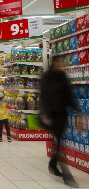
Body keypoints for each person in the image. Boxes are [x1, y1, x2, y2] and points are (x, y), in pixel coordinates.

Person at [40, 56, 78, 188]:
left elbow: (68, 94)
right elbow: (43, 96)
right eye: (59, 62)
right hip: (51, 114)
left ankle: (52, 164)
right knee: (59, 141)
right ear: (54, 62)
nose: (60, 64)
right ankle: (67, 174)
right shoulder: (46, 77)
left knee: (59, 140)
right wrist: (44, 113)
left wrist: (77, 110)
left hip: (62, 113)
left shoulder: (62, 75)